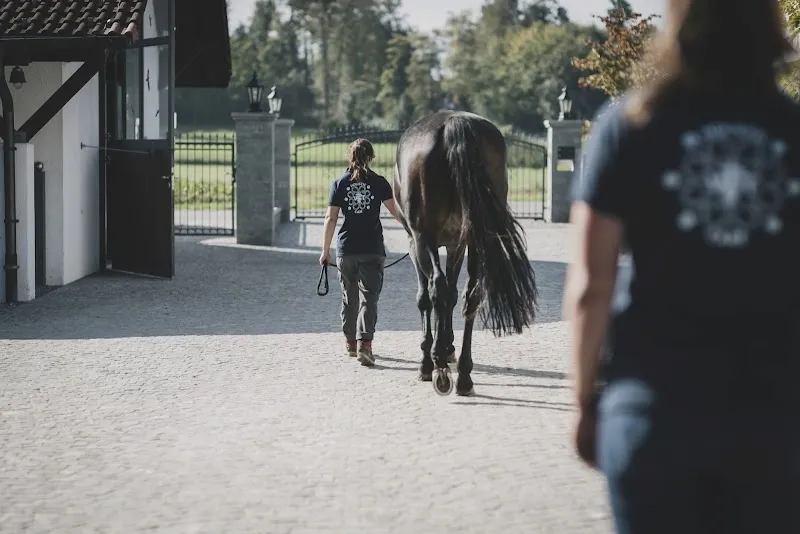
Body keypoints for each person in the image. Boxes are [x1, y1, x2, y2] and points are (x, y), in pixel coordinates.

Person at [563, 0, 800, 532]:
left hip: (655, 414)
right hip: (774, 423)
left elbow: (591, 286)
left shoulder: (629, 124)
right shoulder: (793, 130)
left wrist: (583, 400)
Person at [320, 138, 403, 367]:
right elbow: (396, 211)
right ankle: (365, 345)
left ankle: (350, 342)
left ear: (350, 157)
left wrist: (325, 251)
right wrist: (414, 231)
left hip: (346, 250)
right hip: (372, 249)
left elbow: (331, 218)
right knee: (369, 298)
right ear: (371, 157)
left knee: (349, 298)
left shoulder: (339, 183)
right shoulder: (379, 182)